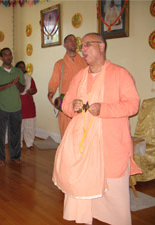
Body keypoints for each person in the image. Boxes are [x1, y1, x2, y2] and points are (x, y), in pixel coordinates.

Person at [52, 33, 141, 225]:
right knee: (83, 186)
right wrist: (71, 105)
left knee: (115, 192)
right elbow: (66, 104)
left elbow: (133, 105)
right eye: (81, 45)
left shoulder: (120, 74)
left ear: (101, 46)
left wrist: (104, 109)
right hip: (82, 144)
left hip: (110, 143)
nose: (81, 49)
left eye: (86, 45)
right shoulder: (79, 77)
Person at [0, 47, 25, 166]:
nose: (8, 57)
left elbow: (22, 89)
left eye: (10, 54)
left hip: (16, 107)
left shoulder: (18, 71)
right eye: (5, 55)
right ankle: (0, 157)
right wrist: (10, 84)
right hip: (2, 107)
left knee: (15, 134)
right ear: (1, 58)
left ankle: (15, 156)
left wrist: (17, 83)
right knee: (0, 134)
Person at [48, 34, 87, 137]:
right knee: (67, 134)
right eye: (70, 40)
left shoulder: (85, 61)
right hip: (66, 102)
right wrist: (51, 92)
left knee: (83, 134)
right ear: (64, 45)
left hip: (83, 100)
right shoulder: (59, 64)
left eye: (75, 40)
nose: (73, 42)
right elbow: (54, 82)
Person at [15, 61, 37, 150]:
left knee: (29, 126)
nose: (21, 68)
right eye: (19, 67)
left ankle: (29, 144)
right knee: (18, 127)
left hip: (29, 106)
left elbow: (34, 90)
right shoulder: (13, 78)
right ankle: (18, 144)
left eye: (23, 67)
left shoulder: (29, 78)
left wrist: (31, 91)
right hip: (17, 106)